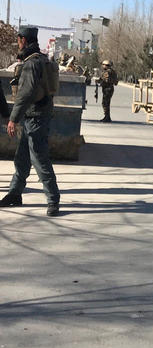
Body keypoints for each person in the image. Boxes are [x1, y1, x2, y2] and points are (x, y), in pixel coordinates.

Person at [0, 27, 61, 216]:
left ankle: (53, 199)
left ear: (23, 40)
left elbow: (25, 94)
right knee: (22, 157)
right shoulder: (41, 60)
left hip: (35, 117)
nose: (18, 44)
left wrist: (13, 119)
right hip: (37, 115)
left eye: (18, 40)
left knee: (39, 158)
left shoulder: (31, 64)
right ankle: (15, 194)